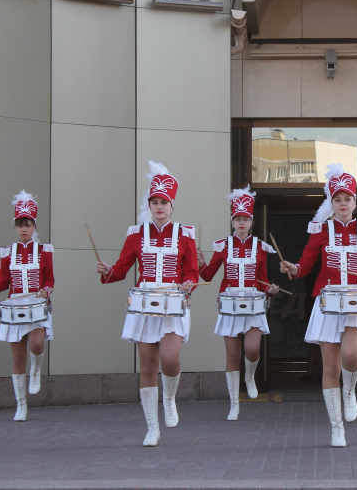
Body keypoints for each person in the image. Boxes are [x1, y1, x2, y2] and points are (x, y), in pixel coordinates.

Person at [95, 161, 198, 447]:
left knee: (170, 358)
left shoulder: (185, 234)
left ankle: (170, 398)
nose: (159, 207)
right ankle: (152, 427)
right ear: (149, 205)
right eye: (154, 202)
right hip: (144, 305)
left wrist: (189, 283)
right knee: (148, 366)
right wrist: (108, 270)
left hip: (173, 304)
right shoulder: (136, 233)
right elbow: (121, 269)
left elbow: (191, 272)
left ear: (172, 204)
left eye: (163, 202)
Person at [280, 164, 357, 447]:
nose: (343, 203)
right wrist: (293, 269)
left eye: (348, 199)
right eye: (337, 199)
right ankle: (336, 427)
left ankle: (350, 391)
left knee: (351, 355)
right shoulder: (320, 231)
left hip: (356, 301)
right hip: (327, 303)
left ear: (355, 203)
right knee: (331, 367)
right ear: (331, 203)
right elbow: (305, 264)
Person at [198, 186, 279, 420]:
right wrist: (201, 263)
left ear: (251, 221)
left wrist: (270, 289)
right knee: (232, 356)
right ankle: (234, 404)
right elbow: (208, 276)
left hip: (253, 304)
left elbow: (262, 280)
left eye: (245, 219)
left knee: (252, 350)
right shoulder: (222, 246)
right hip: (229, 305)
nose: (241, 223)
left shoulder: (260, 247)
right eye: (238, 219)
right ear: (232, 221)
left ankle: (250, 377)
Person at [0, 190, 54, 422]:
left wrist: (46, 289)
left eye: (28, 224)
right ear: (15, 227)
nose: (24, 229)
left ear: (34, 226)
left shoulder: (45, 251)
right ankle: (21, 404)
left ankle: (36, 370)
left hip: (37, 306)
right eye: (20, 225)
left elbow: (50, 279)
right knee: (17, 360)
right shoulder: (7, 252)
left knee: (37, 344)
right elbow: (3, 281)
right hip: (15, 308)